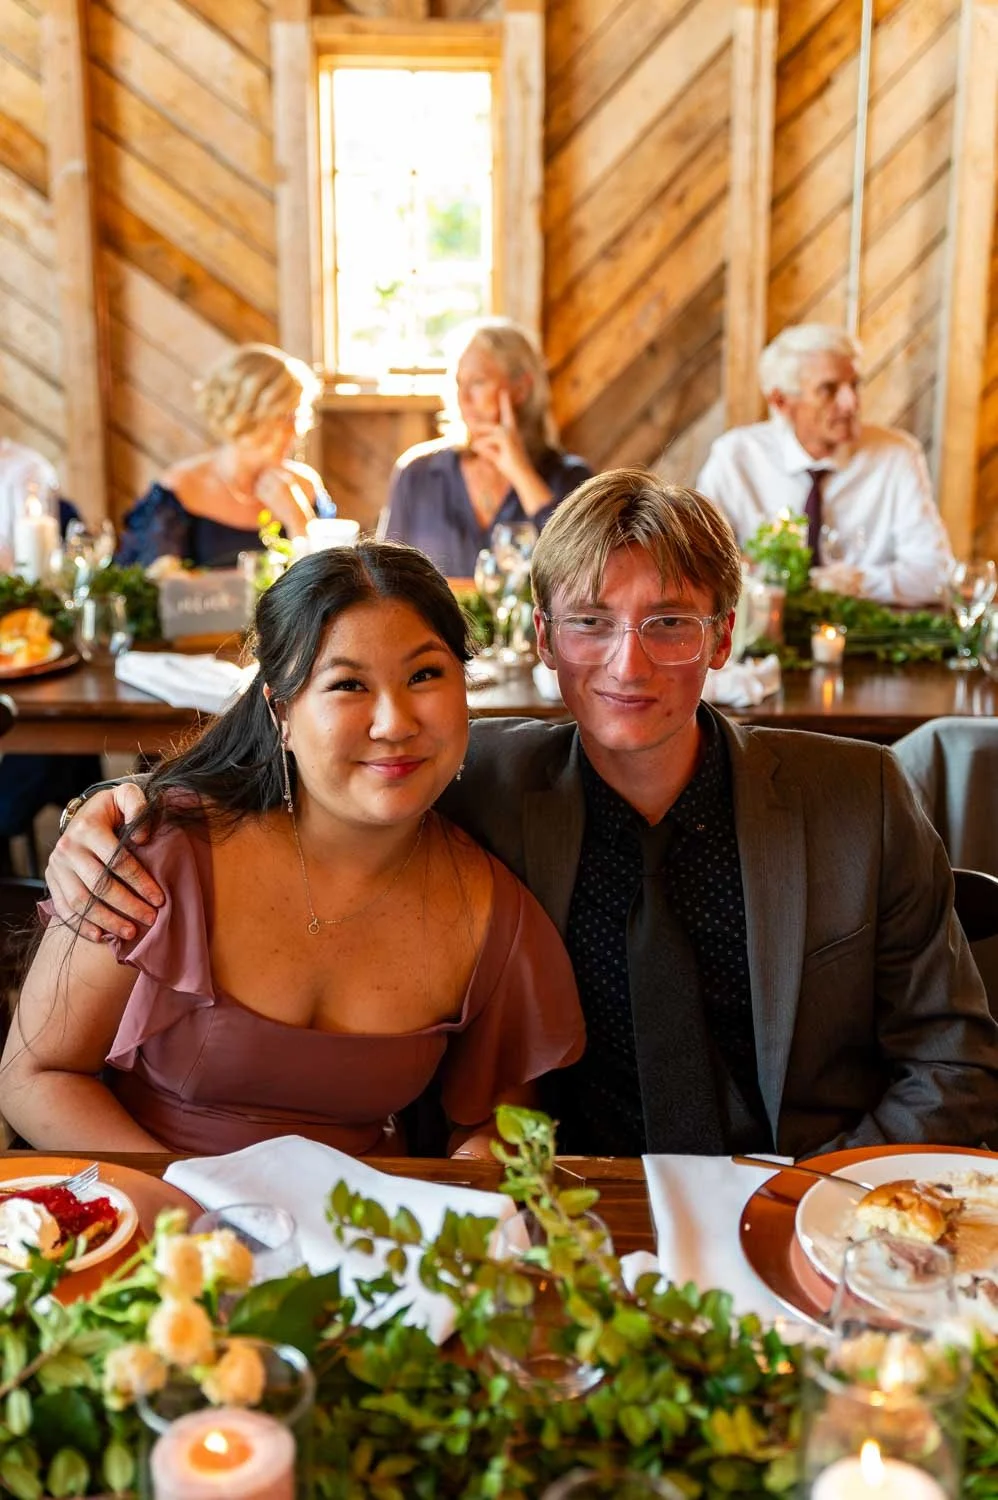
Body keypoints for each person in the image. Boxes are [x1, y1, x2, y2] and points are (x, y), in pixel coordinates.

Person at [44, 472, 998, 1160]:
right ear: (543, 639)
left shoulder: (859, 797)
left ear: (722, 638)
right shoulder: (463, 776)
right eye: (590, 621)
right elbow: (307, 762)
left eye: (670, 622)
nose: (628, 664)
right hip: (573, 1207)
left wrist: (815, 1199)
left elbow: (954, 1062)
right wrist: (102, 813)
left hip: (808, 1200)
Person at [2, 544, 583, 1156]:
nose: (394, 723)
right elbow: (33, 1077)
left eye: (424, 676)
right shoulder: (159, 852)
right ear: (281, 712)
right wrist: (191, 1198)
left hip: (358, 1212)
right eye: (348, 684)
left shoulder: (490, 911)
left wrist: (477, 1171)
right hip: (150, 1202)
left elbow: (499, 1124)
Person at [696, 324, 954, 607]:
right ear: (780, 401)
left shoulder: (897, 455)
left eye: (854, 385)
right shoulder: (735, 457)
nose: (851, 403)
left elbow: (936, 574)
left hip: (864, 627)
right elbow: (700, 563)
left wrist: (855, 583)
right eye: (828, 390)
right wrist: (759, 577)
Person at [380, 317, 591, 577]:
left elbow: (582, 573)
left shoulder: (571, 479)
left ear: (521, 389)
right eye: (459, 383)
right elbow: (385, 578)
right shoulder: (417, 474)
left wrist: (521, 473)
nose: (463, 397)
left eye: (478, 382)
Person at [116, 343, 335, 570]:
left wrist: (297, 520)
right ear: (248, 415)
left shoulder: (305, 485)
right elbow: (157, 580)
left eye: (300, 416)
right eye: (286, 417)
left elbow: (331, 581)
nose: (297, 430)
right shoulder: (181, 488)